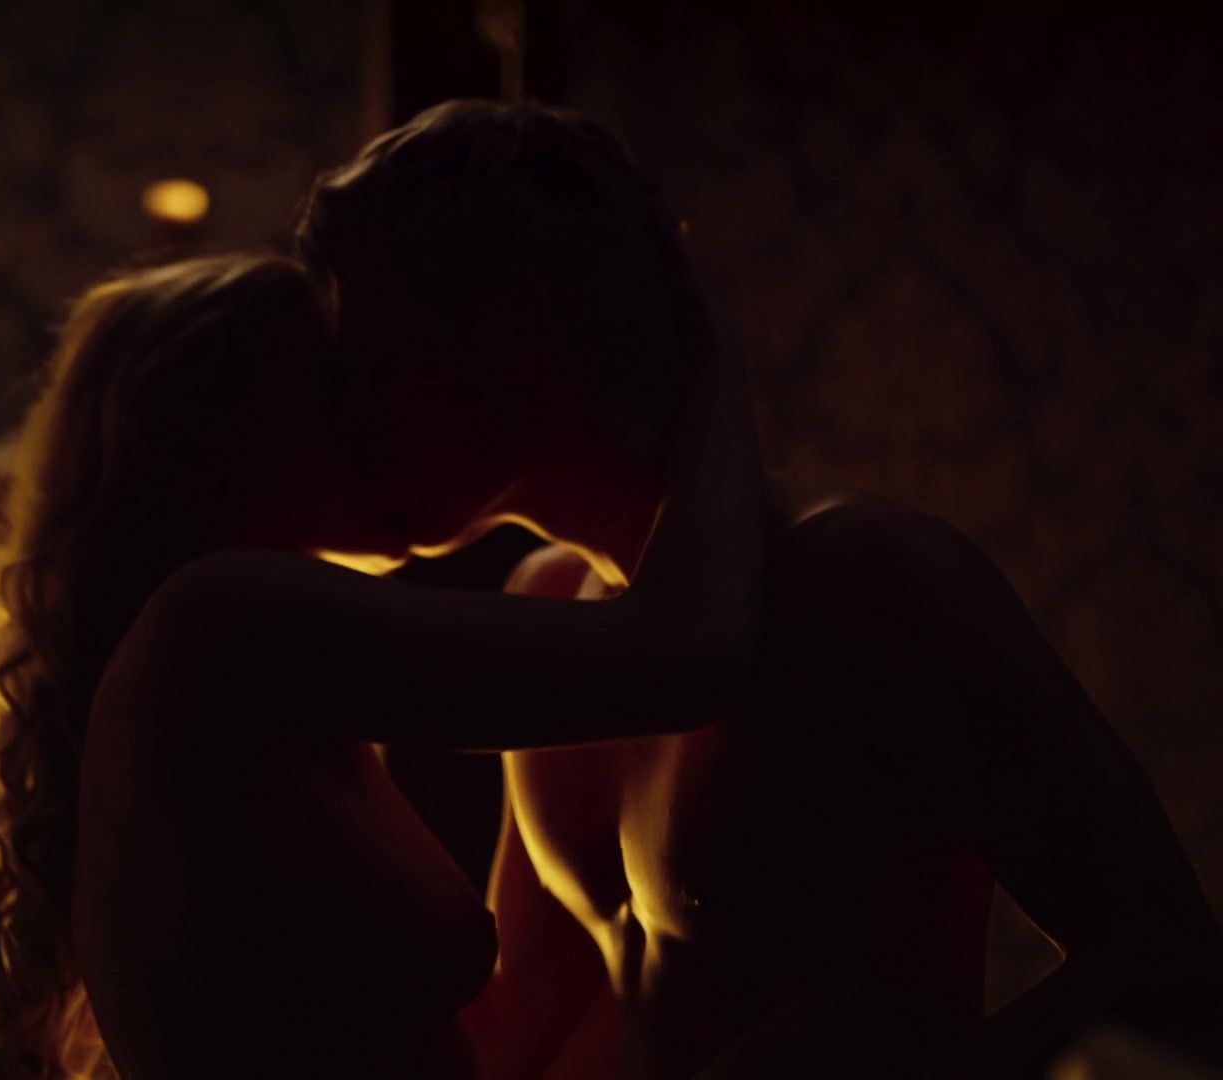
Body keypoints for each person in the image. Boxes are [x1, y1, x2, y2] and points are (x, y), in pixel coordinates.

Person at [294, 98, 1223, 1078]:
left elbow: (1165, 960)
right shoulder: (551, 606)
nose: (343, 416)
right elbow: (522, 1017)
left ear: (512, 334)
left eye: (370, 363)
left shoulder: (872, 582)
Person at [0, 248, 767, 1078]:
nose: (387, 417)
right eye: (332, 390)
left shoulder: (231, 667)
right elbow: (689, 655)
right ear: (208, 443)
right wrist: (701, 350)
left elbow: (497, 1023)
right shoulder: (232, 624)